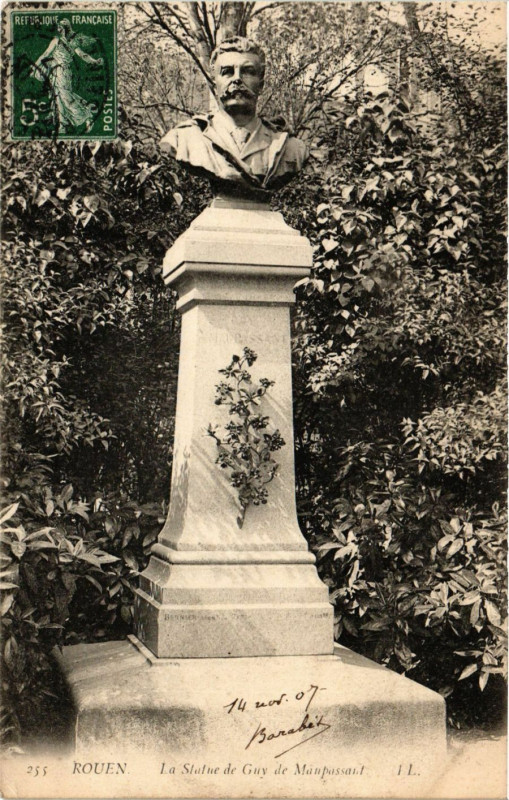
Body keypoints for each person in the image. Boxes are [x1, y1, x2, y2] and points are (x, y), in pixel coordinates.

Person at [160, 37, 308, 197]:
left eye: (248, 72)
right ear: (214, 84)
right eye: (227, 72)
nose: (237, 79)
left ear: (261, 84)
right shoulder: (186, 138)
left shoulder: (291, 148)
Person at [31, 19, 103, 134]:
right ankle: (62, 125)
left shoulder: (58, 40)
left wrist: (35, 66)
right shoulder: (71, 42)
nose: (58, 29)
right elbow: (83, 55)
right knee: (58, 96)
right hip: (61, 72)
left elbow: (45, 54)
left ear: (64, 28)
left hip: (61, 72)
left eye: (60, 27)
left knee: (64, 96)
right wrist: (94, 61)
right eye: (58, 27)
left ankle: (86, 116)